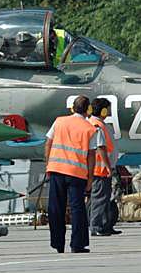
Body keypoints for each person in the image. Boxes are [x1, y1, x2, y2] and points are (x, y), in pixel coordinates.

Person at [44, 95, 105, 253]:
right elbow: (92, 155)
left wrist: (48, 165)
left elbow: (48, 142)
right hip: (76, 174)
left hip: (56, 169)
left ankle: (57, 243)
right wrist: (90, 178)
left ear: (72, 108)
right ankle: (77, 244)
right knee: (77, 209)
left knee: (55, 208)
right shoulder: (89, 128)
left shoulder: (59, 121)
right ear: (88, 110)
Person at [87, 98, 122, 236]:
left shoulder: (100, 124)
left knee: (105, 198)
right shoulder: (96, 125)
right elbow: (101, 147)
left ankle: (106, 225)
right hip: (100, 169)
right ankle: (96, 226)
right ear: (103, 110)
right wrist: (108, 166)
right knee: (99, 198)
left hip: (103, 168)